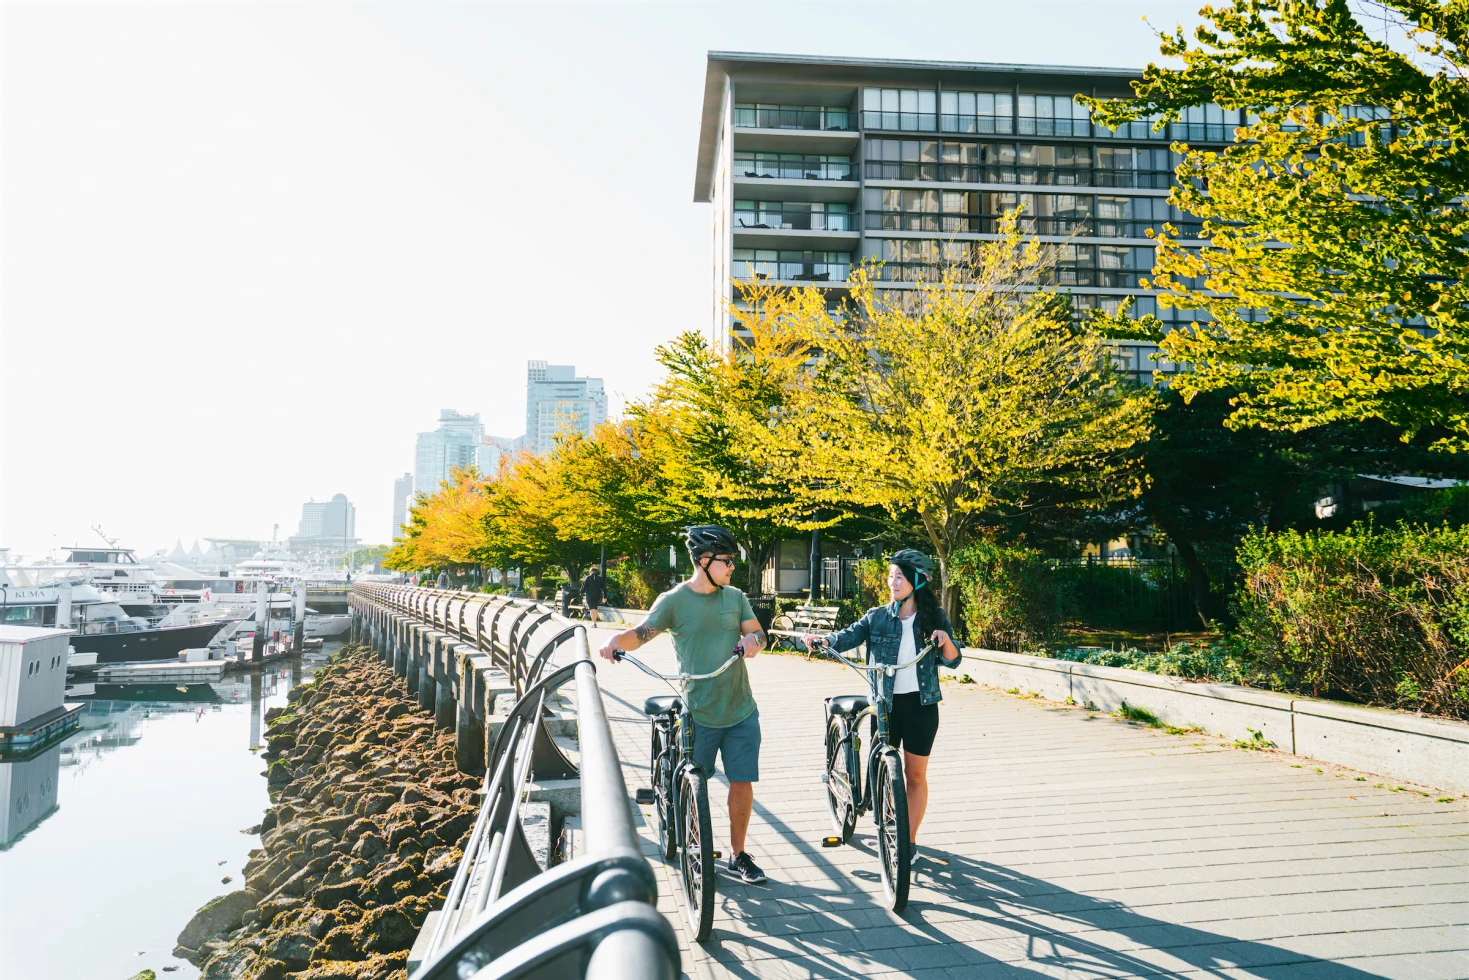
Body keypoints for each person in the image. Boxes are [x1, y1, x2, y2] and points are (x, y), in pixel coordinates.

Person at [600, 526, 769, 884]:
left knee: (741, 782)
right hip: (699, 710)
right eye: (727, 561)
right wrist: (616, 640)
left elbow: (758, 632)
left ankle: (738, 855)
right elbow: (642, 633)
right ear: (705, 561)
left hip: (740, 710)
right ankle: (695, 846)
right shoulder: (674, 600)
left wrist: (754, 639)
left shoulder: (735, 597)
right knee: (694, 783)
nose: (731, 568)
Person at [804, 549, 961, 864]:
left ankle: (908, 842)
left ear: (917, 581)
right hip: (885, 706)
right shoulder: (877, 616)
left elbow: (953, 660)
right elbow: (849, 635)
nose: (892, 582)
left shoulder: (934, 618)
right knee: (885, 774)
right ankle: (886, 818)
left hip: (922, 705)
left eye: (899, 576)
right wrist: (824, 641)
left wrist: (944, 639)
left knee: (915, 776)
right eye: (891, 576)